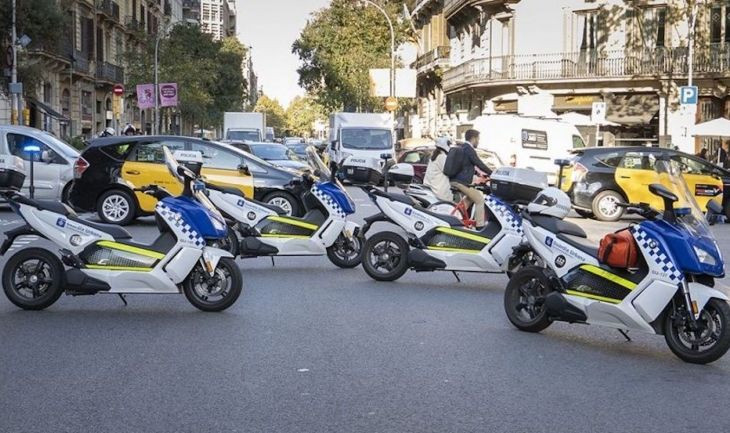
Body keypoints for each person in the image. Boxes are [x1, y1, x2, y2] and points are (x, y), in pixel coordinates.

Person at [449, 129, 493, 229]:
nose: (478, 141)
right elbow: (478, 162)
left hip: (457, 180)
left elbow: (468, 165)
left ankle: (457, 219)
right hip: (461, 182)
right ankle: (480, 226)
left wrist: (480, 174)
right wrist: (492, 173)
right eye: (478, 139)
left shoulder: (463, 147)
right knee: (479, 199)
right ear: (473, 138)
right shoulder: (468, 149)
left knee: (469, 199)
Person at [423, 137, 453, 202]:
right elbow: (449, 171)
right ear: (445, 145)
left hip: (431, 186)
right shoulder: (442, 156)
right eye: (449, 144)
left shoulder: (436, 155)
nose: (449, 146)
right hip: (438, 189)